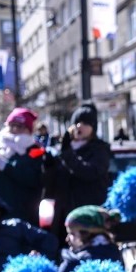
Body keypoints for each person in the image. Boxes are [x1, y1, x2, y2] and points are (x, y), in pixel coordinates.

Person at [48, 102, 112, 241]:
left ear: (93, 128)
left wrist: (67, 154)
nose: (79, 127)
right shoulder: (66, 149)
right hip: (64, 214)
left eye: (84, 123)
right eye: (76, 122)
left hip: (88, 215)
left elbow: (89, 172)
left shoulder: (99, 149)